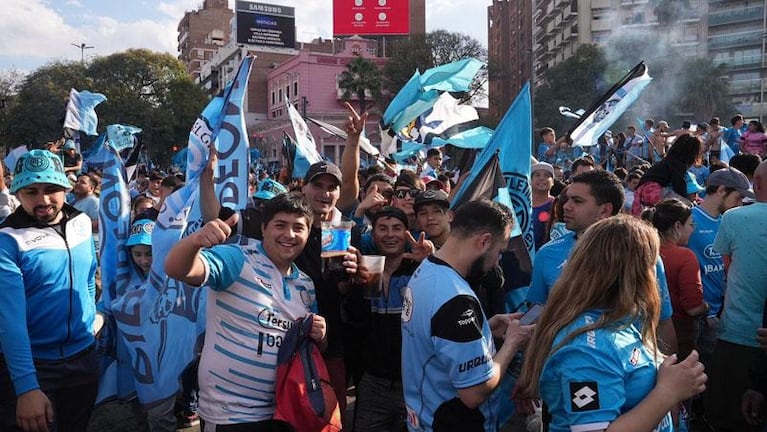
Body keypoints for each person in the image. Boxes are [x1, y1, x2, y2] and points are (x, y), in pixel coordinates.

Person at [519, 215, 707, 432]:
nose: (656, 271)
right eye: (652, 262)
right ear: (634, 272)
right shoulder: (587, 348)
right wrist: (667, 393)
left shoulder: (617, 319)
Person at [164, 192, 327, 431]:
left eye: (298, 228)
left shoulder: (306, 284)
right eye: (280, 225)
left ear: (308, 233)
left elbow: (312, 347)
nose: (289, 235)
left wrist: (321, 336)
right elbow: (176, 268)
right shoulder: (238, 259)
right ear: (263, 228)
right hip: (230, 414)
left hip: (284, 410)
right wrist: (196, 241)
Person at [401, 199, 534, 432]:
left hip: (424, 416)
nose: (497, 261)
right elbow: (474, 393)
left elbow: (438, 336)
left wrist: (485, 328)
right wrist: (512, 343)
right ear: (484, 241)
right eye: (499, 251)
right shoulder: (456, 299)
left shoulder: (428, 268)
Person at [0, 150, 99, 432]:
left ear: (66, 188)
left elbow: (89, 277)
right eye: (31, 191)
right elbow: (9, 322)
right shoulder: (7, 240)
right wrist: (26, 386)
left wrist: (91, 319)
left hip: (84, 358)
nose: (43, 200)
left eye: (51, 189)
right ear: (18, 193)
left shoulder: (80, 222)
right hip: (33, 364)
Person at [526, 169, 677, 353]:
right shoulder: (548, 254)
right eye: (567, 199)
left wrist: (665, 369)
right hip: (565, 369)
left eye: (577, 201)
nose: (566, 206)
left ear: (605, 210)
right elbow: (535, 316)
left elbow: (662, 322)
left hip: (631, 371)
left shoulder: (642, 255)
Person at [704, 160, 767, 432]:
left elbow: (728, 267)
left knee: (729, 418)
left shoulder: (734, 218)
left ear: (758, 184)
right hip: (744, 334)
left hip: (739, 335)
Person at [351, 207, 420, 431]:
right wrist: (352, 285)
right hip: (373, 382)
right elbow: (355, 320)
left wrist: (432, 263)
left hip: (413, 383)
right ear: (373, 235)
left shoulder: (421, 270)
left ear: (407, 233)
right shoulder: (366, 269)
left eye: (397, 228)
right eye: (382, 228)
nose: (390, 235)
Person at [642, 198, 707, 359]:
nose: (693, 230)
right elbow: (693, 307)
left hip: (644, 337)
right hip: (678, 339)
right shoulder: (685, 257)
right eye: (691, 224)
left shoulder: (643, 253)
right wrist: (707, 308)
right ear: (678, 226)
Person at [632, 133, 701, 217]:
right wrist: (687, 201)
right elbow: (679, 185)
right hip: (654, 191)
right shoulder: (678, 165)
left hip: (641, 191)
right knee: (685, 205)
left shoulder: (666, 162)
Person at [530, 162, 555, 250]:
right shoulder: (523, 204)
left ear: (552, 182)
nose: (541, 178)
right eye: (537, 175)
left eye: (546, 175)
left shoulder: (556, 205)